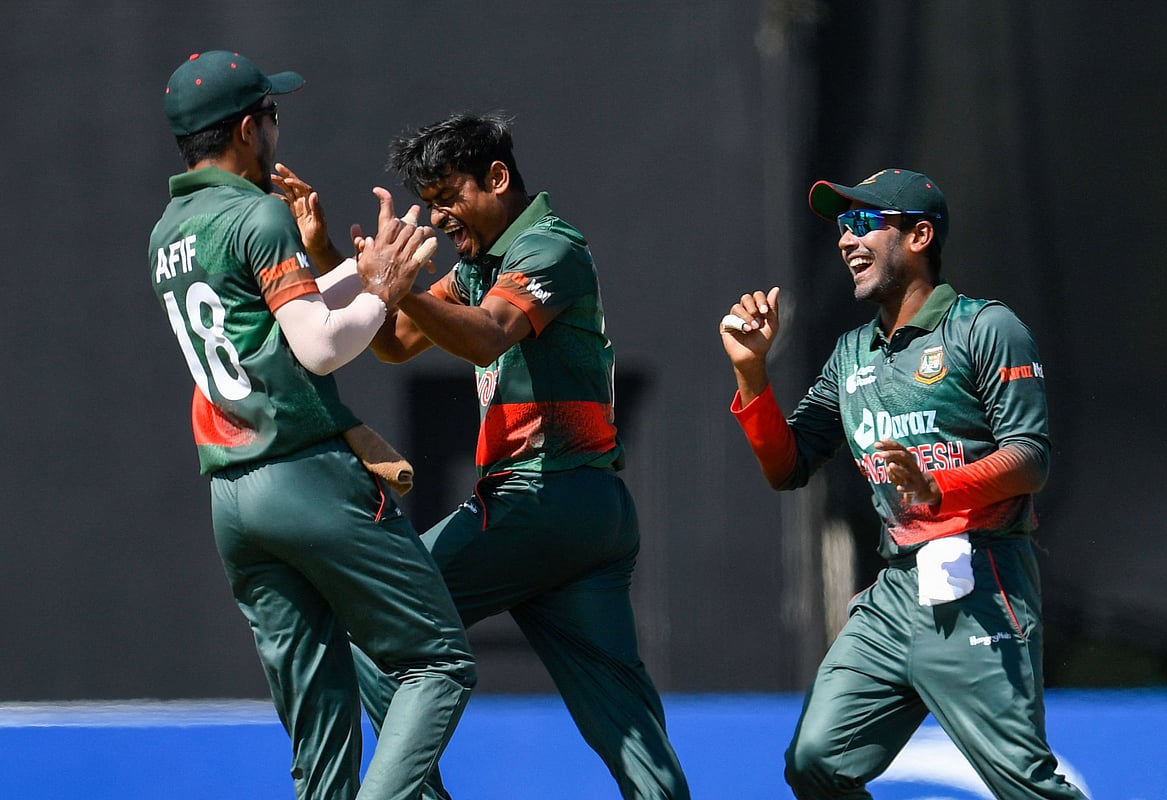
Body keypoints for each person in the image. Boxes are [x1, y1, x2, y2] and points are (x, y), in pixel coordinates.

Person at [276, 112, 690, 799]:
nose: (440, 218)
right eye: (429, 202)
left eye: (449, 196)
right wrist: (327, 254)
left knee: (379, 629)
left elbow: (487, 337)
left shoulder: (549, 247)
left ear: (497, 178)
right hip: (584, 517)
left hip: (543, 500)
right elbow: (393, 342)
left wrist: (401, 285)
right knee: (631, 731)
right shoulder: (481, 266)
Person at [147, 51, 475, 800]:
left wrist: (362, 269)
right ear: (245, 129)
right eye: (270, 115)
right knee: (439, 664)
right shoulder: (256, 213)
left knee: (322, 737)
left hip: (234, 501)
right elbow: (319, 347)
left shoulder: (168, 230)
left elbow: (264, 323)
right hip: (307, 478)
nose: (276, 129)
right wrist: (384, 292)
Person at [720, 168, 1088, 799]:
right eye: (843, 225)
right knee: (815, 762)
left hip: (981, 580)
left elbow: (1031, 458)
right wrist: (752, 374)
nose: (847, 239)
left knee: (1027, 786)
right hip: (894, 593)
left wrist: (939, 487)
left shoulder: (984, 327)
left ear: (919, 237)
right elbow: (789, 466)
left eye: (866, 222)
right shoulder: (851, 355)